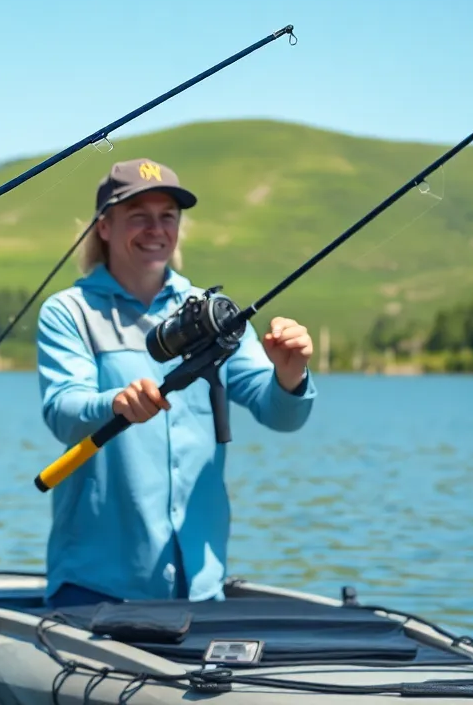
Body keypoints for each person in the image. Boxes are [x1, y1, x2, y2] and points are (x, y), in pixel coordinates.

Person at [35, 158, 317, 608]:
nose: (156, 229)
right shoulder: (69, 312)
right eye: (138, 217)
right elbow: (63, 413)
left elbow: (279, 415)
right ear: (104, 227)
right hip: (95, 585)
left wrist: (290, 372)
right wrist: (116, 404)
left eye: (168, 216)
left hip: (201, 586)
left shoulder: (213, 313)